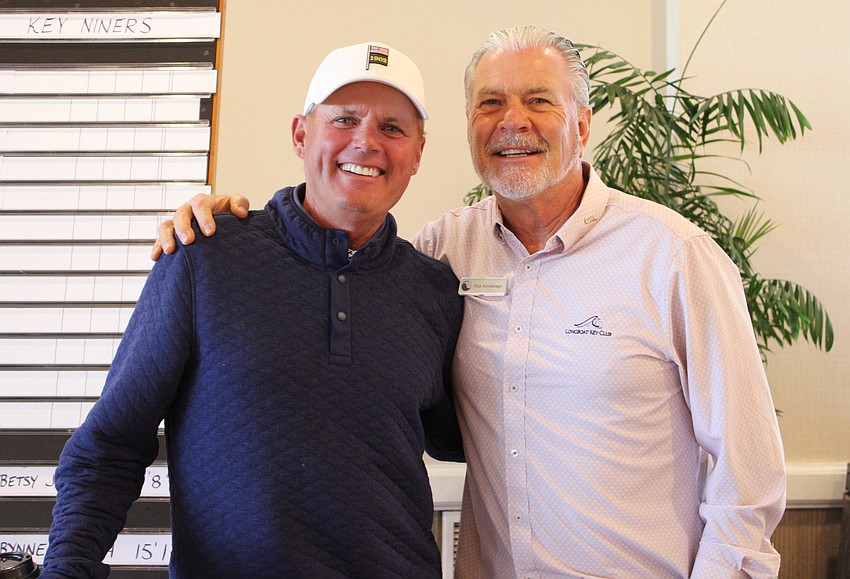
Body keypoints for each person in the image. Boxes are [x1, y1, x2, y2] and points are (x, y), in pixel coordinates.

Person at [155, 26, 786, 578]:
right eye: (491, 103)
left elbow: (748, 474)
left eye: (539, 100)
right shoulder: (441, 254)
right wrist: (229, 224)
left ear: (582, 124)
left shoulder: (674, 258)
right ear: (468, 128)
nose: (513, 121)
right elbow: (338, 259)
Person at [42, 41, 464, 579]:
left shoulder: (434, 290)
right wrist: (68, 568)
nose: (367, 141)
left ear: (417, 155)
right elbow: (110, 446)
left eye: (393, 128)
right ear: (300, 135)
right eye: (344, 119)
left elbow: (466, 439)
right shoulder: (205, 256)